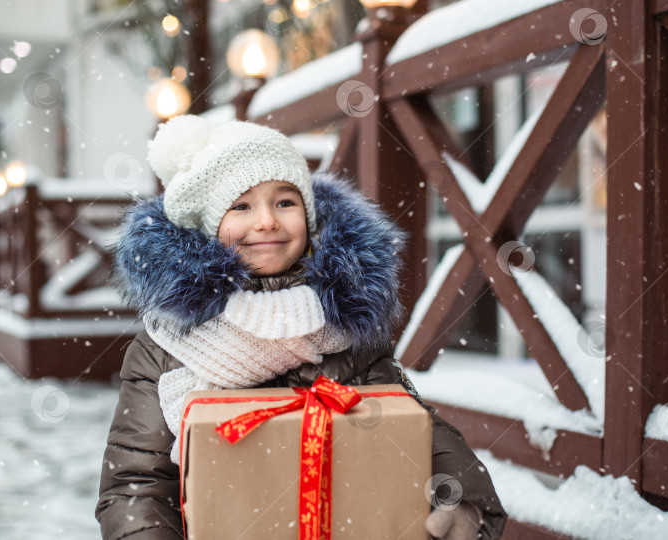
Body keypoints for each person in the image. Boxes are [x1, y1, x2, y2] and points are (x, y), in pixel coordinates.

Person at [96, 115, 506, 540]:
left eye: (285, 202)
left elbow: (414, 428)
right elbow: (135, 485)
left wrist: (464, 502)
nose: (267, 221)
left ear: (308, 218)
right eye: (241, 206)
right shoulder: (165, 346)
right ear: (206, 226)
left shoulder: (346, 327)